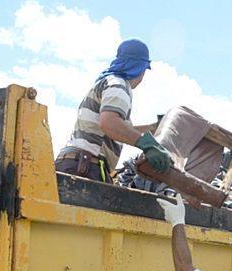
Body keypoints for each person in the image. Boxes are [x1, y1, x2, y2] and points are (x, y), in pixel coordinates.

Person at [55, 39, 172, 182]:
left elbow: (115, 128)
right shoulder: (119, 85)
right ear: (140, 68)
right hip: (87, 167)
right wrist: (147, 145)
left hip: (74, 163)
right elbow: (110, 123)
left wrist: (152, 128)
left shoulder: (107, 83)